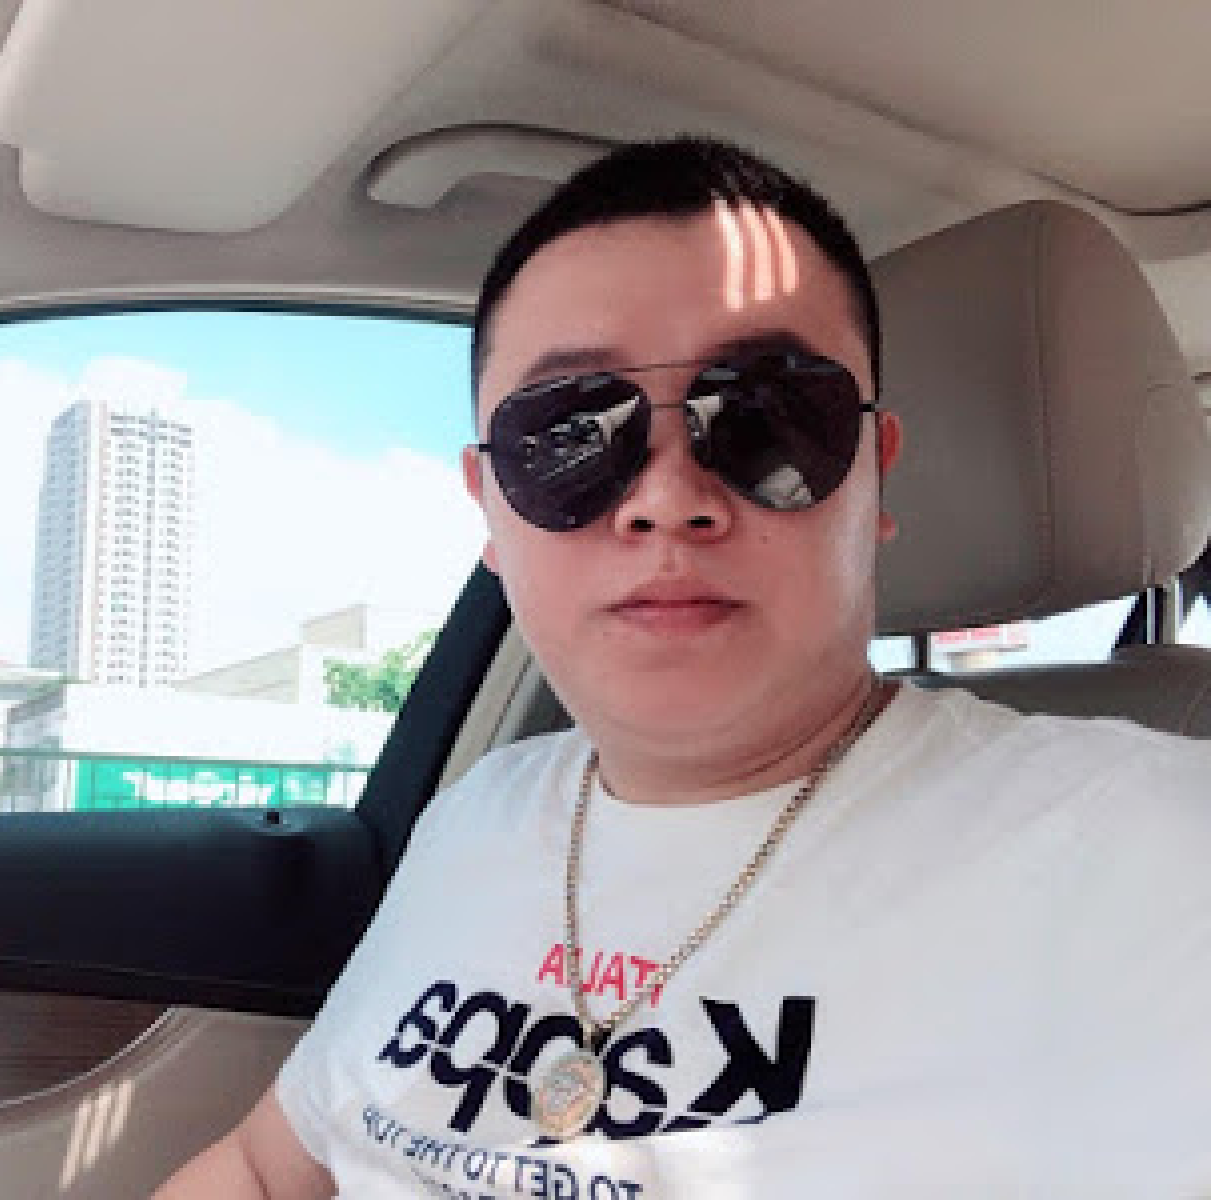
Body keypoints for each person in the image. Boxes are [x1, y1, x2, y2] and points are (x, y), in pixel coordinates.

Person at [157, 138, 1211, 1197]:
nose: (667, 499)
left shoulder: (1149, 844)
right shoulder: (480, 810)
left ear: (874, 477)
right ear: (489, 510)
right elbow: (266, 1169)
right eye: (569, 433)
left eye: (765, 418)